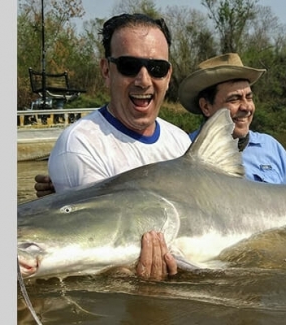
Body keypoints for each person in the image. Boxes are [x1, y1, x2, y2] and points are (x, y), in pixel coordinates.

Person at [37, 13, 192, 281]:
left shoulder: (181, 141)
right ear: (106, 71)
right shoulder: (80, 145)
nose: (144, 80)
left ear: (168, 76)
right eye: (129, 66)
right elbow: (102, 263)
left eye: (156, 69)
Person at [178, 53, 286, 184]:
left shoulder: (272, 148)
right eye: (234, 99)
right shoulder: (181, 149)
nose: (246, 107)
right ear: (206, 106)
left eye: (249, 97)